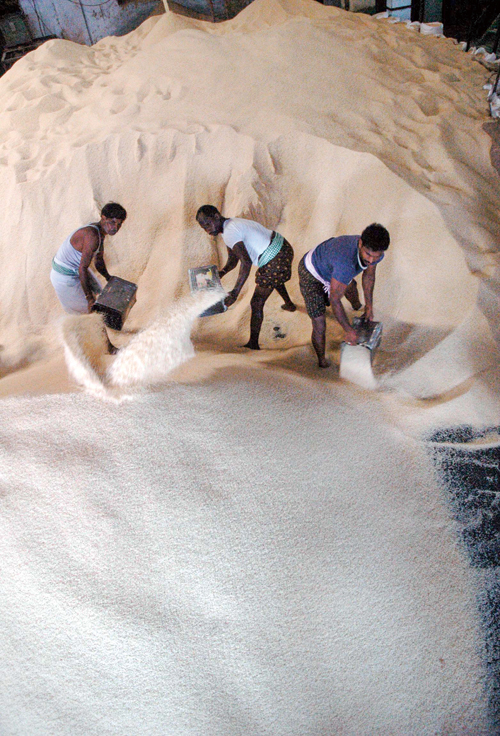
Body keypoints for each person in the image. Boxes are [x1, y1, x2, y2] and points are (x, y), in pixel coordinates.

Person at [196, 205, 296, 349]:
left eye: (208, 224)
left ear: (217, 216)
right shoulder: (231, 226)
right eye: (203, 228)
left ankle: (253, 344)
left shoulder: (230, 232)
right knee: (272, 279)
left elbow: (246, 262)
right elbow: (233, 260)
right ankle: (289, 305)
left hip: (276, 258)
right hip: (282, 246)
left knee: (257, 302)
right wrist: (222, 273)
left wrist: (235, 292)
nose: (207, 229)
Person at [298, 224, 390, 368]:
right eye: (368, 254)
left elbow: (369, 276)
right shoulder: (345, 264)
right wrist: (348, 330)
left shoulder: (373, 254)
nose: (371, 260)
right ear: (360, 244)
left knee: (351, 287)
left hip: (330, 265)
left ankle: (357, 308)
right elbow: (334, 299)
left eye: (376, 256)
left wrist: (369, 307)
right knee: (319, 322)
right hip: (311, 272)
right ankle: (321, 361)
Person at [50, 202, 127, 353]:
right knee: (93, 309)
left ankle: (99, 334)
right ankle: (107, 348)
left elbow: (98, 261)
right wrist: (89, 298)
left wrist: (108, 277)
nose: (115, 227)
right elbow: (82, 268)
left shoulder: (100, 233)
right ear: (103, 218)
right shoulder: (93, 236)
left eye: (119, 224)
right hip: (64, 277)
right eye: (112, 222)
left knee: (100, 298)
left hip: (74, 270)